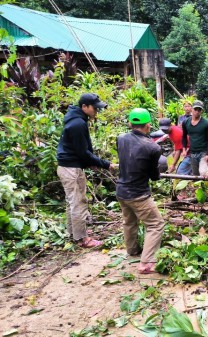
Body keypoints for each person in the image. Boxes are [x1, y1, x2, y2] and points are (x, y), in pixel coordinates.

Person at [56, 93, 117, 248]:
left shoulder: (77, 119)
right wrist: (105, 164)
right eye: (94, 108)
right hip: (71, 168)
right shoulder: (78, 124)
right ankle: (82, 239)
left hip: (69, 165)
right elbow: (83, 152)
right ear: (84, 107)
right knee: (77, 203)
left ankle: (74, 235)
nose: (96, 111)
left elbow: (80, 150)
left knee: (72, 202)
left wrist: (90, 163)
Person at [116, 108, 165, 274]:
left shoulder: (121, 138)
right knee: (156, 224)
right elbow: (154, 176)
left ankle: (132, 250)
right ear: (149, 125)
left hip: (121, 191)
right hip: (138, 194)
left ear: (130, 123)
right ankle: (147, 263)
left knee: (129, 221)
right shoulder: (152, 148)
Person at [182, 100, 208, 176]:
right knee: (195, 175)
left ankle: (204, 184)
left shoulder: (206, 123)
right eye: (195, 109)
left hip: (203, 152)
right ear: (192, 109)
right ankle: (200, 187)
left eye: (199, 110)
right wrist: (184, 149)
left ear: (201, 111)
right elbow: (184, 136)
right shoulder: (186, 122)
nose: (197, 112)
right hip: (193, 153)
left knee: (202, 173)